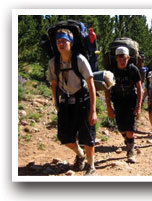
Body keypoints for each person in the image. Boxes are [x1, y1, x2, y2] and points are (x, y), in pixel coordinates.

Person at [47, 28, 97, 176]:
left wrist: (93, 110)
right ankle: (80, 154)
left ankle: (91, 165)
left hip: (83, 101)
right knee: (64, 137)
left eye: (64, 41)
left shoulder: (79, 59)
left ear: (71, 43)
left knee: (88, 136)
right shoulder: (53, 62)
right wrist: (56, 103)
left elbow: (91, 84)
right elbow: (54, 84)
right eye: (58, 41)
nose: (60, 44)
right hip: (66, 102)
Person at [104, 46, 142, 163]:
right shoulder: (111, 70)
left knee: (130, 127)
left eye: (124, 57)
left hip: (131, 100)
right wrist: (109, 107)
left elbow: (140, 88)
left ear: (128, 57)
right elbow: (107, 88)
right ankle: (129, 141)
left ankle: (130, 152)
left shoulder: (133, 69)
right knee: (121, 128)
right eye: (120, 57)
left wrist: (139, 106)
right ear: (116, 58)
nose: (122, 60)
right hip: (118, 101)